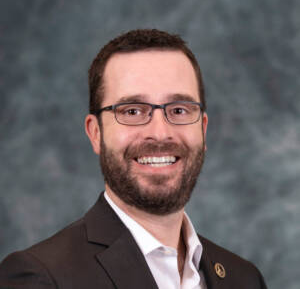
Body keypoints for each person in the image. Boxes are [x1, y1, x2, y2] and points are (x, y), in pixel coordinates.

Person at [0, 29, 267, 289]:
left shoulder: (243, 279)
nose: (160, 133)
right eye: (132, 111)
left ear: (203, 129)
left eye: (179, 109)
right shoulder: (41, 277)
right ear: (96, 133)